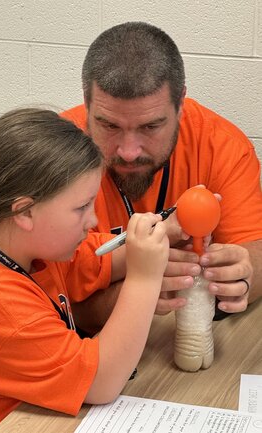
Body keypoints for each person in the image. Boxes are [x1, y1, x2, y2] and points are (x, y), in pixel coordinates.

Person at [0, 108, 171, 432]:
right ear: (25, 213)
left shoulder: (32, 249)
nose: (92, 220)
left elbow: (100, 257)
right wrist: (146, 278)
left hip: (30, 415)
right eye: (81, 207)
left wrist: (168, 231)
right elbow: (102, 381)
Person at [63, 21, 262, 330]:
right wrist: (135, 296)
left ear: (180, 104)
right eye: (109, 126)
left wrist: (243, 277)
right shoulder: (53, 154)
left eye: (150, 127)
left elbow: (254, 256)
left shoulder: (223, 146)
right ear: (87, 103)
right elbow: (47, 300)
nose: (128, 151)